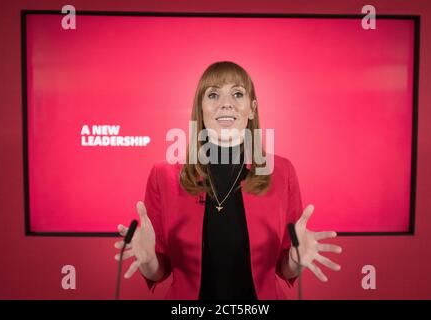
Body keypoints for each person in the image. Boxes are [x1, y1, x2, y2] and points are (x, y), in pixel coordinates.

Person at [114, 61, 342, 300]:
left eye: (237, 94)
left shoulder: (281, 171)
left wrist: (296, 261)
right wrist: (149, 261)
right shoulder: (163, 176)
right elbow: (158, 270)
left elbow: (286, 264)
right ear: (200, 109)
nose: (226, 103)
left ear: (252, 109)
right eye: (213, 94)